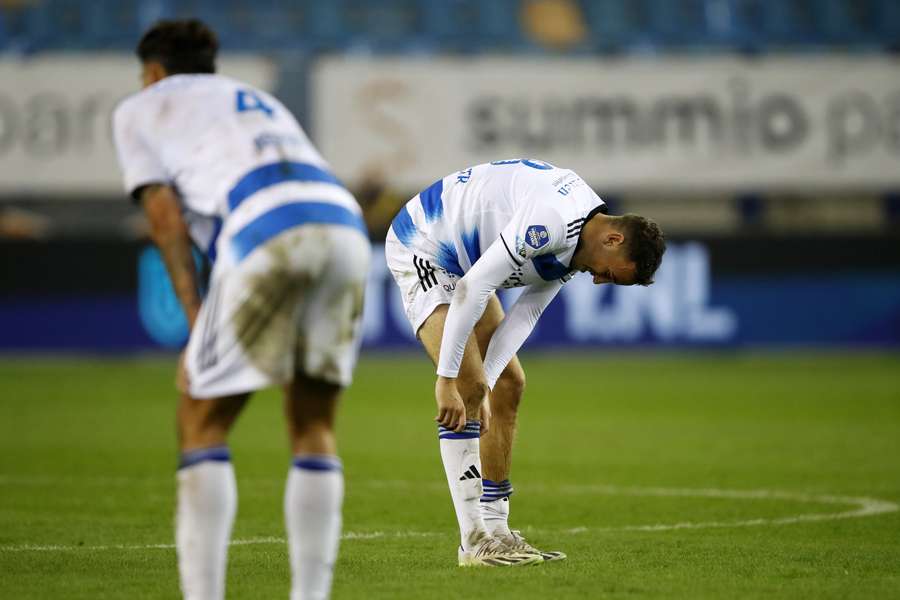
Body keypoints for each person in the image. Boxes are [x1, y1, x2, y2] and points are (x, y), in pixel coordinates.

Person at [112, 19, 370, 600]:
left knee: (201, 418)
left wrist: (194, 314)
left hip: (262, 225)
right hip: (343, 223)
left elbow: (165, 216)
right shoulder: (258, 100)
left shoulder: (140, 108)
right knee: (312, 424)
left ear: (152, 72)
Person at [385, 158, 665, 566]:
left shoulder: (580, 245)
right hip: (424, 244)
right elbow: (474, 286)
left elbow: (527, 314)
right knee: (466, 383)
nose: (601, 280)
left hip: (466, 265)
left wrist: (488, 380)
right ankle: (474, 541)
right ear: (613, 240)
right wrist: (448, 380)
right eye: (611, 273)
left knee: (508, 385)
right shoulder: (552, 221)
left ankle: (497, 529)